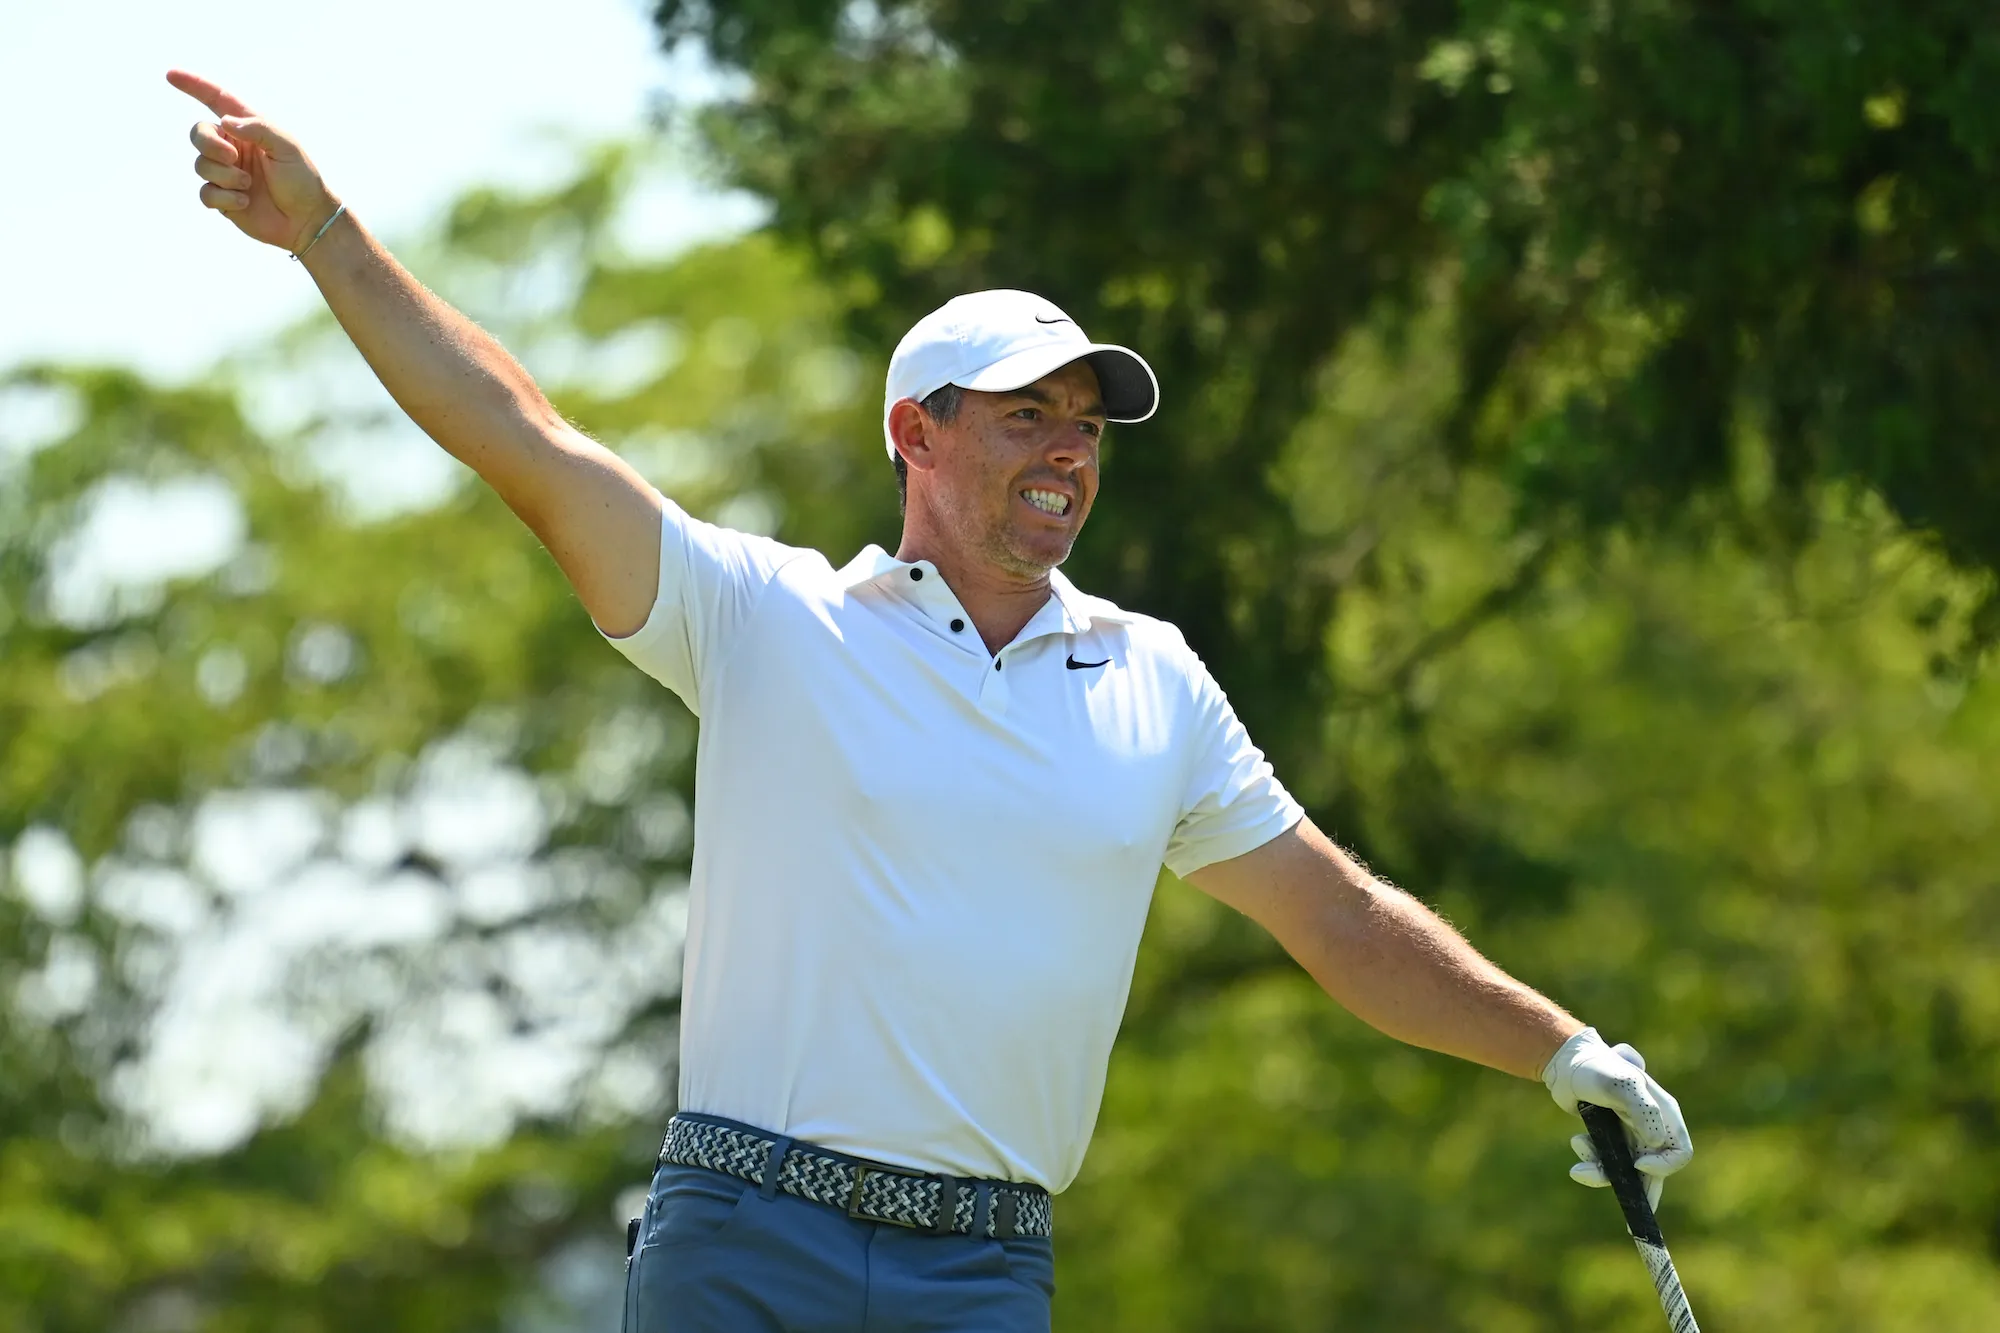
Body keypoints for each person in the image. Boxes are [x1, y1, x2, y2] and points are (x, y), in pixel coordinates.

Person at [169, 68, 1693, 1333]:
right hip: (741, 1245)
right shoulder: (764, 616)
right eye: (1027, 414)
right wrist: (330, 239)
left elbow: (1342, 922)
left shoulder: (1150, 679)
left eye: (1086, 425)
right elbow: (527, 438)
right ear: (918, 431)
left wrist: (1559, 1048)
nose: (1067, 452)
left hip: (985, 1269)